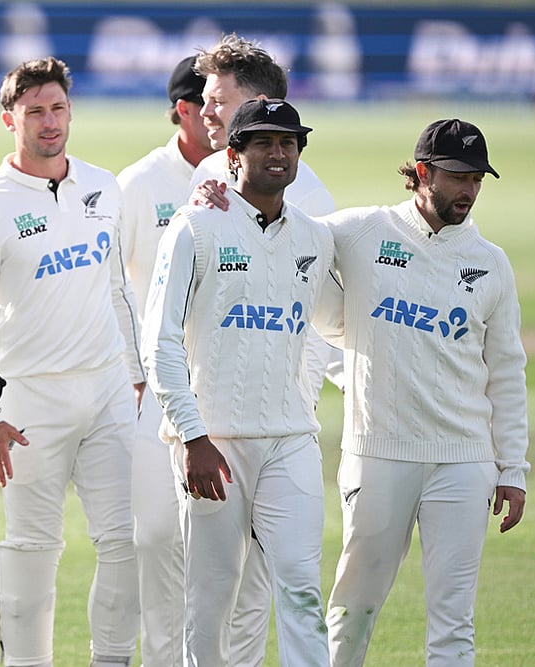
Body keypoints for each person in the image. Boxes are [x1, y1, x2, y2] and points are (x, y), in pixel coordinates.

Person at [316, 119, 529, 666]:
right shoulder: (362, 231)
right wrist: (217, 194)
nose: (468, 190)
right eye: (457, 176)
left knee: (454, 624)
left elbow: (506, 372)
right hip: (378, 454)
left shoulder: (491, 263)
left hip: (464, 461)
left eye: (477, 178)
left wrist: (513, 468)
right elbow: (285, 236)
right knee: (353, 606)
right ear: (421, 173)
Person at [0, 56, 143, 667]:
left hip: (110, 390)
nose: (48, 121)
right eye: (34, 110)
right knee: (34, 544)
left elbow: (119, 289)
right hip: (30, 399)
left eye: (58, 108)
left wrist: (139, 376)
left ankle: (111, 660)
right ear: (9, 118)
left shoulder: (103, 185)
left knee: (127, 540)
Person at [141, 98, 333, 667]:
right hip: (214, 443)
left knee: (299, 584)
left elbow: (328, 326)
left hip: (290, 439)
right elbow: (159, 342)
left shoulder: (316, 237)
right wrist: (192, 436)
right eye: (264, 143)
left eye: (290, 143)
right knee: (211, 598)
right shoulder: (194, 227)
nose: (279, 153)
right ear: (234, 154)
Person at [187, 35, 343, 665]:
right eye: (204, 99)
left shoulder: (308, 200)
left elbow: (307, 325)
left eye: (217, 99)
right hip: (218, 417)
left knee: (263, 586)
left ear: (258, 103)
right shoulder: (210, 171)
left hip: (278, 423)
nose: (205, 110)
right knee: (218, 586)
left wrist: (290, 410)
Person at [115, 55, 213, 667]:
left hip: (224, 389)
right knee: (154, 537)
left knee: (218, 548)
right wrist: (131, 372)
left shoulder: (246, 176)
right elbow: (113, 286)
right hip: (153, 390)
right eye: (214, 105)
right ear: (184, 110)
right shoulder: (140, 183)